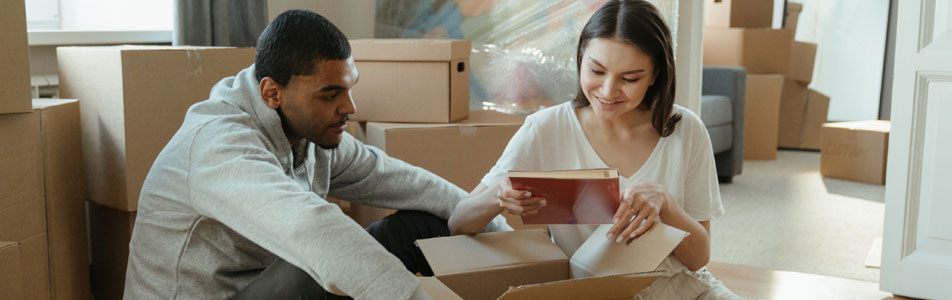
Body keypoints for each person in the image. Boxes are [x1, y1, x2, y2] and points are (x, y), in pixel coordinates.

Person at [123, 10, 508, 300]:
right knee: (327, 255)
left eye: (349, 89)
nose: (349, 107)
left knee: (419, 225)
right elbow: (311, 228)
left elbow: (402, 180)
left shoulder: (311, 132)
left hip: (263, 286)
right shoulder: (217, 146)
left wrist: (507, 236)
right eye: (330, 95)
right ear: (272, 93)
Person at [447, 1, 741, 299]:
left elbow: (698, 258)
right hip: (595, 293)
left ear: (655, 75)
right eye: (597, 71)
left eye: (630, 78)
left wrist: (665, 203)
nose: (608, 91)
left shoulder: (685, 129)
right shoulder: (546, 128)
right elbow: (459, 222)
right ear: (580, 59)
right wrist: (501, 194)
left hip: (683, 289)